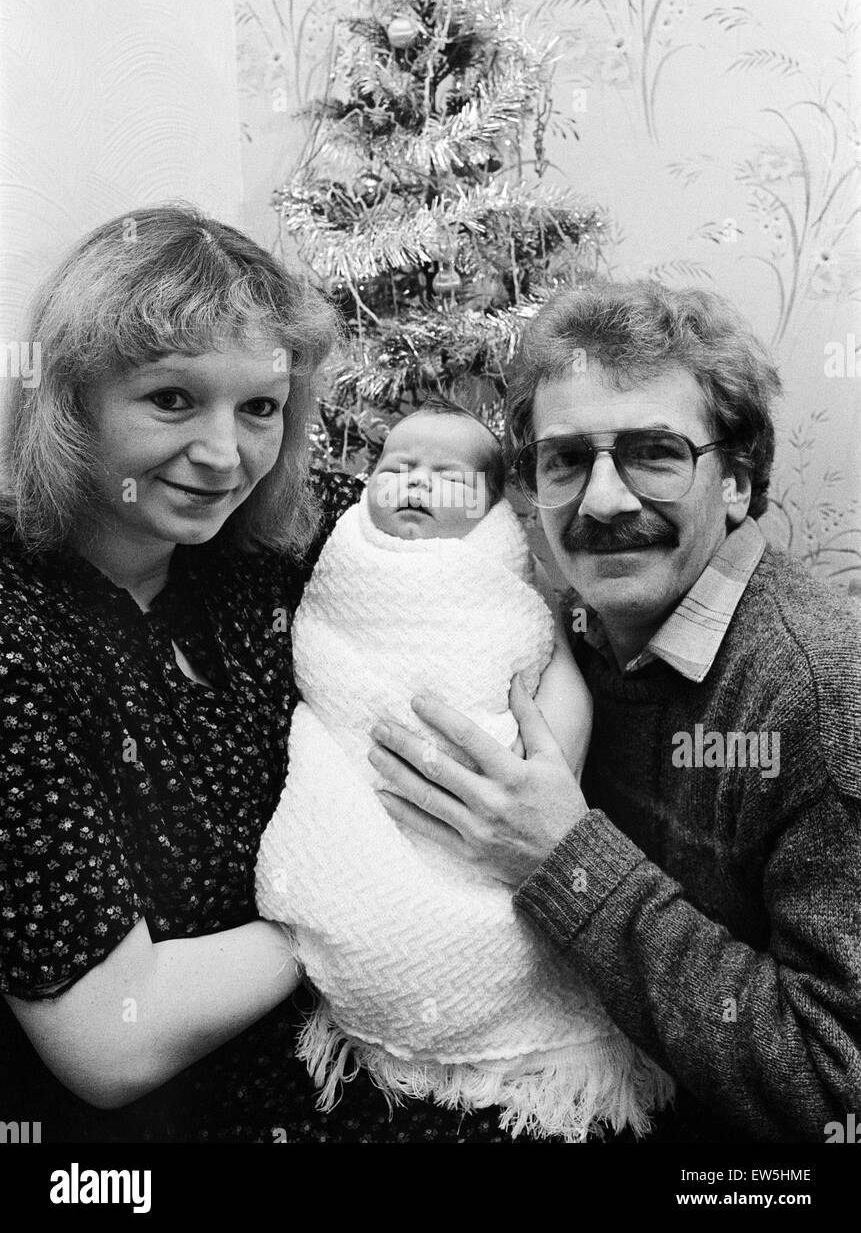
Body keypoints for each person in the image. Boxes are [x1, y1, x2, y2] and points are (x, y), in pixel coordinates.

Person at [0, 205, 530, 1143]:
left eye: (260, 408)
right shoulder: (21, 639)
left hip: (354, 1056)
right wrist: (368, 901)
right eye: (171, 399)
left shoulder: (276, 547)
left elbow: (477, 550)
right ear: (71, 401)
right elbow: (107, 1045)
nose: (225, 455)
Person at [368, 279, 861, 1143]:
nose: (602, 501)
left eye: (653, 453)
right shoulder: (558, 636)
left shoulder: (818, 700)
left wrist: (566, 860)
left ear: (737, 481)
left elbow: (836, 1087)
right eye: (565, 461)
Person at [256, 398, 672, 1141]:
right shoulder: (341, 557)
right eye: (396, 468)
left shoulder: (497, 576)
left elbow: (536, 660)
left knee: (497, 911)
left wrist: (550, 751)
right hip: (360, 781)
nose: (415, 485)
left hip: (487, 804)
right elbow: (325, 666)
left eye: (447, 478)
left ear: (488, 510)